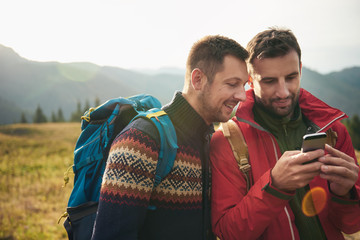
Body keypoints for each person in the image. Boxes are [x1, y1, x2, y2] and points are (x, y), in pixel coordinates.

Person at [91, 35, 249, 240]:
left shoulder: (211, 140)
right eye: (232, 84)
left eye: (243, 85)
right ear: (198, 80)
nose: (242, 96)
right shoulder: (141, 141)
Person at [210, 28, 360, 240]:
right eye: (269, 81)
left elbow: (352, 225)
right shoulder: (227, 142)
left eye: (291, 77)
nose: (283, 92)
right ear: (250, 81)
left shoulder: (334, 131)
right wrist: (274, 186)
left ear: (300, 69)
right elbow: (229, 233)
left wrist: (345, 193)